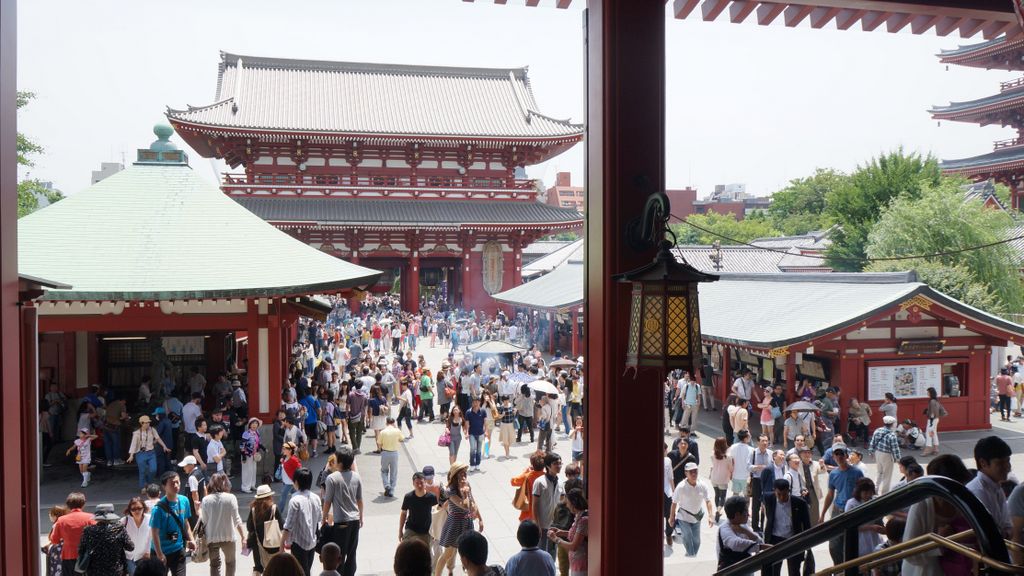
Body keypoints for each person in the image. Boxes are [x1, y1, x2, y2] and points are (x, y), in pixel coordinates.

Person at [902, 454, 973, 576]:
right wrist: (940, 543)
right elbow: (908, 552)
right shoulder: (922, 505)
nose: (959, 490)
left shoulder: (962, 500)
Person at [819, 444, 864, 565]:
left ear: (846, 456)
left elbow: (863, 491)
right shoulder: (833, 474)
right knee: (834, 544)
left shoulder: (857, 472)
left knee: (850, 541)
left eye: (841, 454)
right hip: (837, 509)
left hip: (852, 509)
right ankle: (838, 568)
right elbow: (830, 494)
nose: (839, 457)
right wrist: (822, 514)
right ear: (833, 457)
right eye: (836, 454)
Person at [322, 446, 363, 576]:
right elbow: (360, 500)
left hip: (341, 522)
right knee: (352, 554)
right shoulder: (356, 477)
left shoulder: (332, 478)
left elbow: (327, 501)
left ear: (339, 462)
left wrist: (323, 519)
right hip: (355, 520)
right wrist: (361, 517)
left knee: (339, 555)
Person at [150, 471, 196, 576]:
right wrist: (159, 554)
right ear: (164, 486)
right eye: (172, 483)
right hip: (161, 552)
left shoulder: (184, 500)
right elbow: (154, 533)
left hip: (178, 550)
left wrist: (191, 539)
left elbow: (185, 522)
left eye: (177, 482)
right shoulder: (158, 509)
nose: (176, 485)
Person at [965, 436, 1013, 539]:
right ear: (983, 463)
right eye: (1000, 463)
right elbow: (992, 535)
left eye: (1008, 461)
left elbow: (1007, 526)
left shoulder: (996, 487)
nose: (1008, 467)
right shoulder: (978, 492)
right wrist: (1006, 534)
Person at [763, 479, 811, 576]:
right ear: (774, 491)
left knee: (794, 570)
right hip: (774, 540)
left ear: (789, 491)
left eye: (784, 494)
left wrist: (806, 545)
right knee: (773, 570)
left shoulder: (800, 503)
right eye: (778, 494)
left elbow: (807, 525)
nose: (781, 497)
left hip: (793, 540)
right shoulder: (769, 498)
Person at [201, 473, 246, 576]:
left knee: (214, 565)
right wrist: (243, 536)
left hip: (212, 538)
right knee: (230, 563)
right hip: (228, 536)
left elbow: (204, 520)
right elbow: (237, 519)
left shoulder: (206, 500)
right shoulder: (231, 498)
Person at [669, 462, 715, 557]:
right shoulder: (681, 487)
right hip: (683, 517)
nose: (694, 474)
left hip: (696, 517)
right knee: (687, 536)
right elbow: (674, 503)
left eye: (695, 471)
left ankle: (692, 553)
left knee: (697, 540)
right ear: (686, 473)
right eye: (691, 472)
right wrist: (671, 517)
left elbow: (708, 501)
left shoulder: (702, 485)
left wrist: (710, 516)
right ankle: (691, 554)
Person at [283, 468, 321, 576]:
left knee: (299, 572)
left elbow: (288, 526)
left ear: (296, 482)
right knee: (307, 570)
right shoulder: (316, 498)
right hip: (312, 542)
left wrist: (281, 546)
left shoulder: (295, 501)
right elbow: (319, 519)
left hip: (298, 544)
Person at [77, 503, 133, 576]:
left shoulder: (88, 530)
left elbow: (81, 550)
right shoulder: (119, 529)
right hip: (115, 570)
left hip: (94, 571)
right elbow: (130, 547)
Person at [716, 495, 768, 573]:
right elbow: (736, 544)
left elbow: (759, 541)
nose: (748, 514)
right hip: (731, 571)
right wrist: (761, 547)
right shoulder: (724, 528)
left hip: (745, 569)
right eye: (746, 512)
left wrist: (746, 532)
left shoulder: (743, 525)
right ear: (737, 514)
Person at [50, 492, 96, 576]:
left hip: (68, 556)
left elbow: (54, 540)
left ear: (68, 505)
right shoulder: (91, 518)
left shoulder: (61, 520)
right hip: (87, 556)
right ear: (83, 504)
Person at [532, 453, 564, 558]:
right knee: (541, 555)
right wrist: (537, 525)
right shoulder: (539, 482)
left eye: (560, 463)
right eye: (555, 463)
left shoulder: (560, 483)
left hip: (555, 526)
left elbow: (562, 504)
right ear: (548, 466)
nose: (558, 466)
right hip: (542, 525)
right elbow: (535, 505)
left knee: (552, 555)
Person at [245, 485, 283, 575]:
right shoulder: (274, 508)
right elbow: (281, 525)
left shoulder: (253, 510)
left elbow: (249, 527)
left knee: (258, 568)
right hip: (273, 545)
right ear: (269, 496)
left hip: (258, 546)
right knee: (274, 569)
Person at [126, 415, 172, 489]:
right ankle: (143, 487)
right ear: (141, 423)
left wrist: (164, 446)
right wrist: (131, 455)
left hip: (151, 453)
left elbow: (158, 438)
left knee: (153, 469)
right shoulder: (136, 433)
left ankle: (149, 482)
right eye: (146, 423)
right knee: (142, 471)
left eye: (148, 422)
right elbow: (133, 444)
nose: (148, 424)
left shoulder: (152, 430)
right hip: (140, 453)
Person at [844, 477, 884, 557]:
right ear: (859, 492)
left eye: (870, 492)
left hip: (873, 536)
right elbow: (850, 526)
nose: (868, 495)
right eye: (866, 493)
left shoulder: (874, 500)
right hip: (860, 538)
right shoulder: (851, 504)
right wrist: (871, 527)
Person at [400, 471, 439, 551]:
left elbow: (436, 514)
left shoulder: (431, 497)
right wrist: (400, 530)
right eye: (417, 483)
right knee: (405, 551)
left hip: (425, 531)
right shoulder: (408, 497)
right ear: (413, 484)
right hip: (411, 529)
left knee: (424, 555)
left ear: (425, 483)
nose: (419, 485)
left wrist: (435, 531)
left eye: (421, 482)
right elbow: (404, 513)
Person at [869, 415, 902, 494]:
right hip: (887, 455)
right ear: (892, 424)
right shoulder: (892, 435)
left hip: (878, 453)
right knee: (887, 475)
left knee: (879, 472)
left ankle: (875, 490)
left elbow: (872, 442)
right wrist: (898, 459)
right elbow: (895, 448)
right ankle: (884, 493)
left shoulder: (878, 430)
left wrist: (871, 452)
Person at [121, 497, 152, 576]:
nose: (137, 511)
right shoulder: (124, 521)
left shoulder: (150, 519)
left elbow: (151, 536)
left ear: (143, 508)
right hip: (128, 556)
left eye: (139, 508)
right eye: (133, 509)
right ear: (130, 510)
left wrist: (148, 551)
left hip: (144, 556)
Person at [379, 416, 405, 498]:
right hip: (394, 453)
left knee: (384, 471)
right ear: (393, 423)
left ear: (386, 423)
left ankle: (387, 485)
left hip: (385, 452)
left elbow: (379, 443)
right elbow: (402, 439)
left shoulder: (382, 432)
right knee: (394, 472)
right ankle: (392, 490)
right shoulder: (397, 431)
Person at [240, 417, 264, 494]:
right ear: (249, 425)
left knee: (253, 470)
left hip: (254, 454)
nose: (254, 425)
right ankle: (245, 487)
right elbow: (242, 445)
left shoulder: (257, 432)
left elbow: (258, 443)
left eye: (256, 424)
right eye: (253, 423)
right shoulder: (246, 433)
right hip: (247, 454)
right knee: (247, 470)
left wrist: (263, 448)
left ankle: (252, 485)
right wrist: (243, 454)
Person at [922, 387, 946, 456]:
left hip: (932, 419)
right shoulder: (936, 400)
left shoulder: (932, 401)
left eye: (928, 392)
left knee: (928, 433)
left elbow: (933, 412)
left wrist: (931, 419)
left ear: (930, 393)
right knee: (933, 433)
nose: (927, 393)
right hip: (936, 419)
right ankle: (936, 448)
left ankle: (928, 448)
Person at [279, 442, 301, 517]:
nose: (283, 450)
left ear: (290, 450)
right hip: (286, 481)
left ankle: (278, 514)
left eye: (285, 449)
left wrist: (296, 479)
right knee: (295, 496)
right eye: (283, 448)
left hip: (290, 482)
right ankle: (298, 511)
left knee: (283, 496)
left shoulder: (293, 459)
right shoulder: (285, 457)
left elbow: (299, 468)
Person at [465, 397, 487, 472]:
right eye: (474, 402)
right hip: (472, 434)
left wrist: (485, 431)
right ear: (472, 403)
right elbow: (467, 423)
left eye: (477, 402)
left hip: (480, 433)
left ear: (480, 402)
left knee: (478, 450)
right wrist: (467, 433)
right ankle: (472, 464)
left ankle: (478, 463)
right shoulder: (468, 412)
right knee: (472, 448)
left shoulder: (483, 411)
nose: (476, 403)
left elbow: (485, 422)